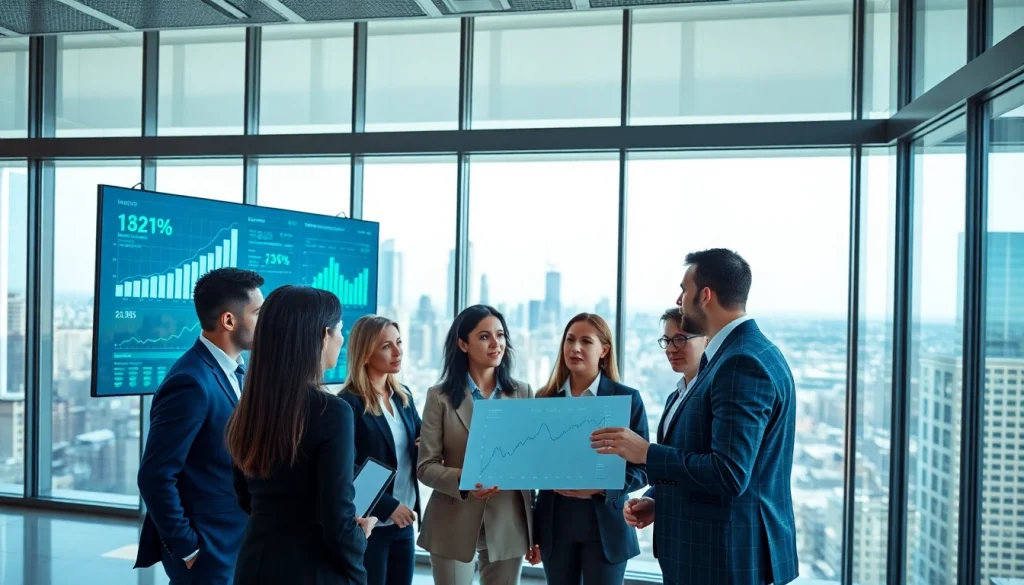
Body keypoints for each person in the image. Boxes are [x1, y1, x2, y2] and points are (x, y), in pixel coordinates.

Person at [592, 248, 799, 585]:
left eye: (684, 290)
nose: (679, 299)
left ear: (705, 295)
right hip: (715, 552)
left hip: (722, 560)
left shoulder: (739, 363)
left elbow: (729, 473)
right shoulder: (745, 354)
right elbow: (707, 452)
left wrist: (645, 453)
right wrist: (660, 500)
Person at [226, 285, 376, 585]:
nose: (342, 339)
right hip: (314, 570)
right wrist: (359, 537)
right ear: (322, 336)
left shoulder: (250, 405)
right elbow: (337, 521)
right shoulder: (332, 412)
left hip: (254, 565)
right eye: (339, 330)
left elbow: (246, 497)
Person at [135, 267, 264, 585]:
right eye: (259, 313)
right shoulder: (190, 381)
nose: (266, 322)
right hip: (209, 553)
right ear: (229, 321)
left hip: (238, 545)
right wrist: (188, 548)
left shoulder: (239, 373)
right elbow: (155, 475)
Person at [416, 305, 540, 585]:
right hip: (452, 520)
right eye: (484, 336)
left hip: (509, 522)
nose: (496, 343)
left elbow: (532, 462)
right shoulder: (439, 397)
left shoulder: (523, 392)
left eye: (500, 335)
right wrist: (464, 478)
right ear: (463, 343)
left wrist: (535, 533)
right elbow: (425, 467)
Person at [533, 313, 648, 585]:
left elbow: (643, 468)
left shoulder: (626, 399)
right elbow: (532, 466)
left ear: (604, 350)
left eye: (586, 341)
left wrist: (599, 487)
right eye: (570, 340)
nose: (575, 348)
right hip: (555, 525)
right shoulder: (544, 400)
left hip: (605, 526)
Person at [339, 316, 422, 585]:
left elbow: (420, 444)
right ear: (365, 352)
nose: (398, 352)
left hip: (404, 522)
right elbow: (345, 467)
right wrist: (388, 506)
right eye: (387, 346)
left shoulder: (403, 397)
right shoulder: (347, 404)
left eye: (398, 342)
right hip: (371, 524)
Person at [655, 307, 707, 445]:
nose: (670, 349)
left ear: (706, 339)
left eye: (680, 339)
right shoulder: (673, 397)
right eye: (666, 340)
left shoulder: (712, 396)